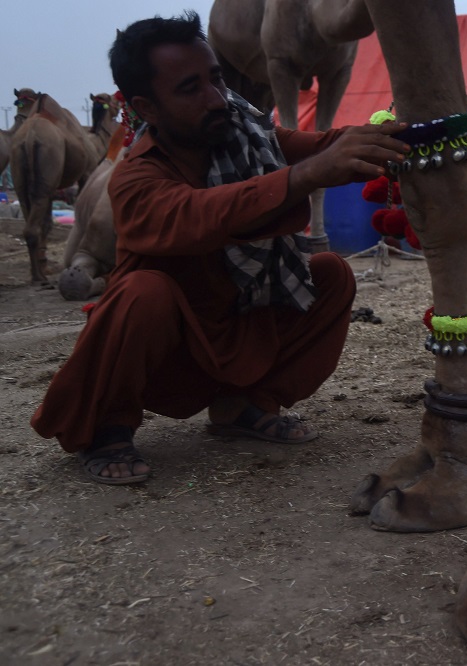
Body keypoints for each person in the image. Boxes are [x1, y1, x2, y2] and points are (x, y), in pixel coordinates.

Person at [29, 12, 409, 485]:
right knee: (144, 293)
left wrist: (393, 140)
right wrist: (306, 175)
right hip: (162, 354)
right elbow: (201, 213)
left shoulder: (246, 134)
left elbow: (320, 146)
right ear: (146, 107)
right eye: (190, 88)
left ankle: (243, 406)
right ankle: (107, 428)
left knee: (330, 273)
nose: (215, 98)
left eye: (216, 79)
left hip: (240, 328)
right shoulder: (135, 177)